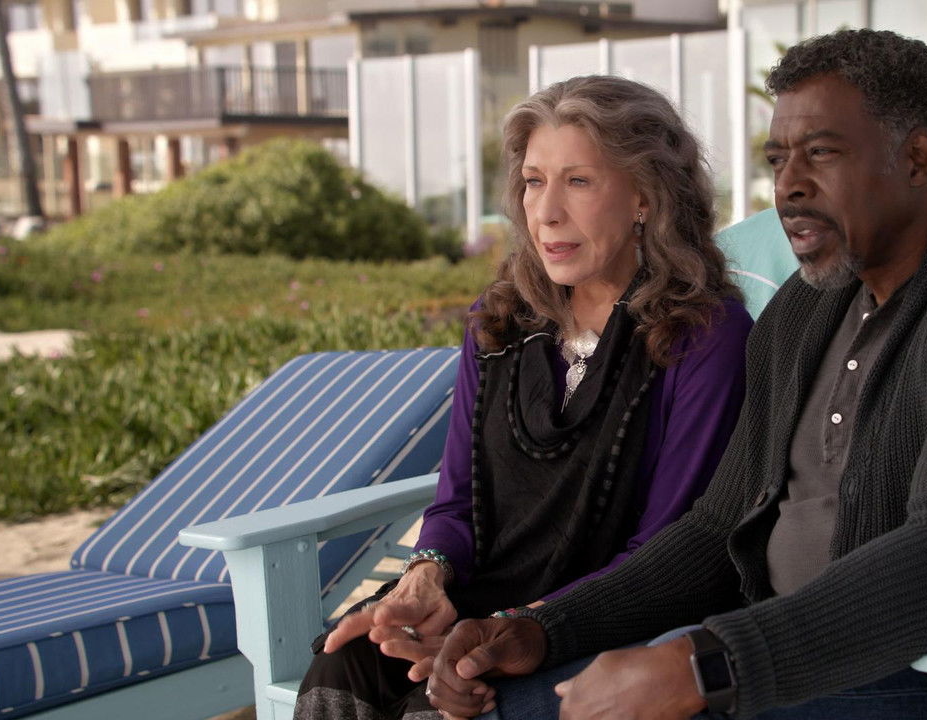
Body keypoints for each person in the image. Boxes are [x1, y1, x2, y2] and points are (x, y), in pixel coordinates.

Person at [421, 29, 927, 720]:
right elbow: (718, 528)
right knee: (502, 696)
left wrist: (706, 665)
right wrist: (544, 628)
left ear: (916, 157)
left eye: (820, 154)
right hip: (784, 657)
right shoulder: (808, 306)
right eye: (777, 159)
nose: (788, 186)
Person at [292, 75, 753, 719]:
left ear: (646, 197)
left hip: (611, 620)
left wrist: (519, 628)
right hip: (483, 600)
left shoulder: (702, 335)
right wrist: (426, 575)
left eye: (579, 181)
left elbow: (669, 550)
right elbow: (457, 501)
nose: (547, 212)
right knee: (345, 660)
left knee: (444, 702)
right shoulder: (500, 321)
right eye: (535, 181)